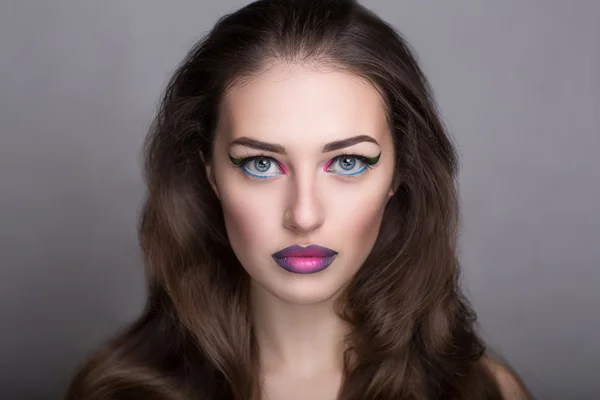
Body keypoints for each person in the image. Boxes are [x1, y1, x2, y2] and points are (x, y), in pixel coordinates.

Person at [66, 0, 531, 399]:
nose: (304, 215)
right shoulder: (119, 392)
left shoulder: (484, 393)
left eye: (347, 162)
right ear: (209, 174)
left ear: (398, 174)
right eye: (261, 164)